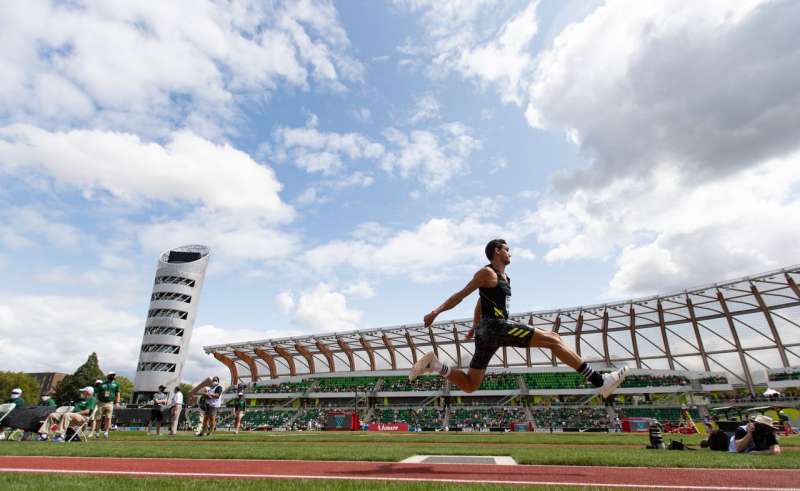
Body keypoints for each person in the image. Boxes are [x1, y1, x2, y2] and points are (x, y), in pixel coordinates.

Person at [410, 239, 628, 399]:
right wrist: (435, 312)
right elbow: (461, 294)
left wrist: (474, 326)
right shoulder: (487, 273)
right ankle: (600, 381)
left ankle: (436, 365)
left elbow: (479, 302)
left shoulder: (505, 278)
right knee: (553, 339)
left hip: (486, 333)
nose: (510, 253)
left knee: (470, 385)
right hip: (496, 328)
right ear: (497, 251)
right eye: (507, 250)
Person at [95, 372, 121, 439]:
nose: (114, 376)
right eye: (112, 375)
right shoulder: (102, 384)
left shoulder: (116, 384)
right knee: (98, 418)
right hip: (101, 403)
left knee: (108, 418)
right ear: (108, 376)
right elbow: (97, 393)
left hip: (110, 403)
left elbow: (118, 394)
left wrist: (117, 402)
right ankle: (97, 432)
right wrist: (97, 401)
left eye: (114, 375)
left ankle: (106, 432)